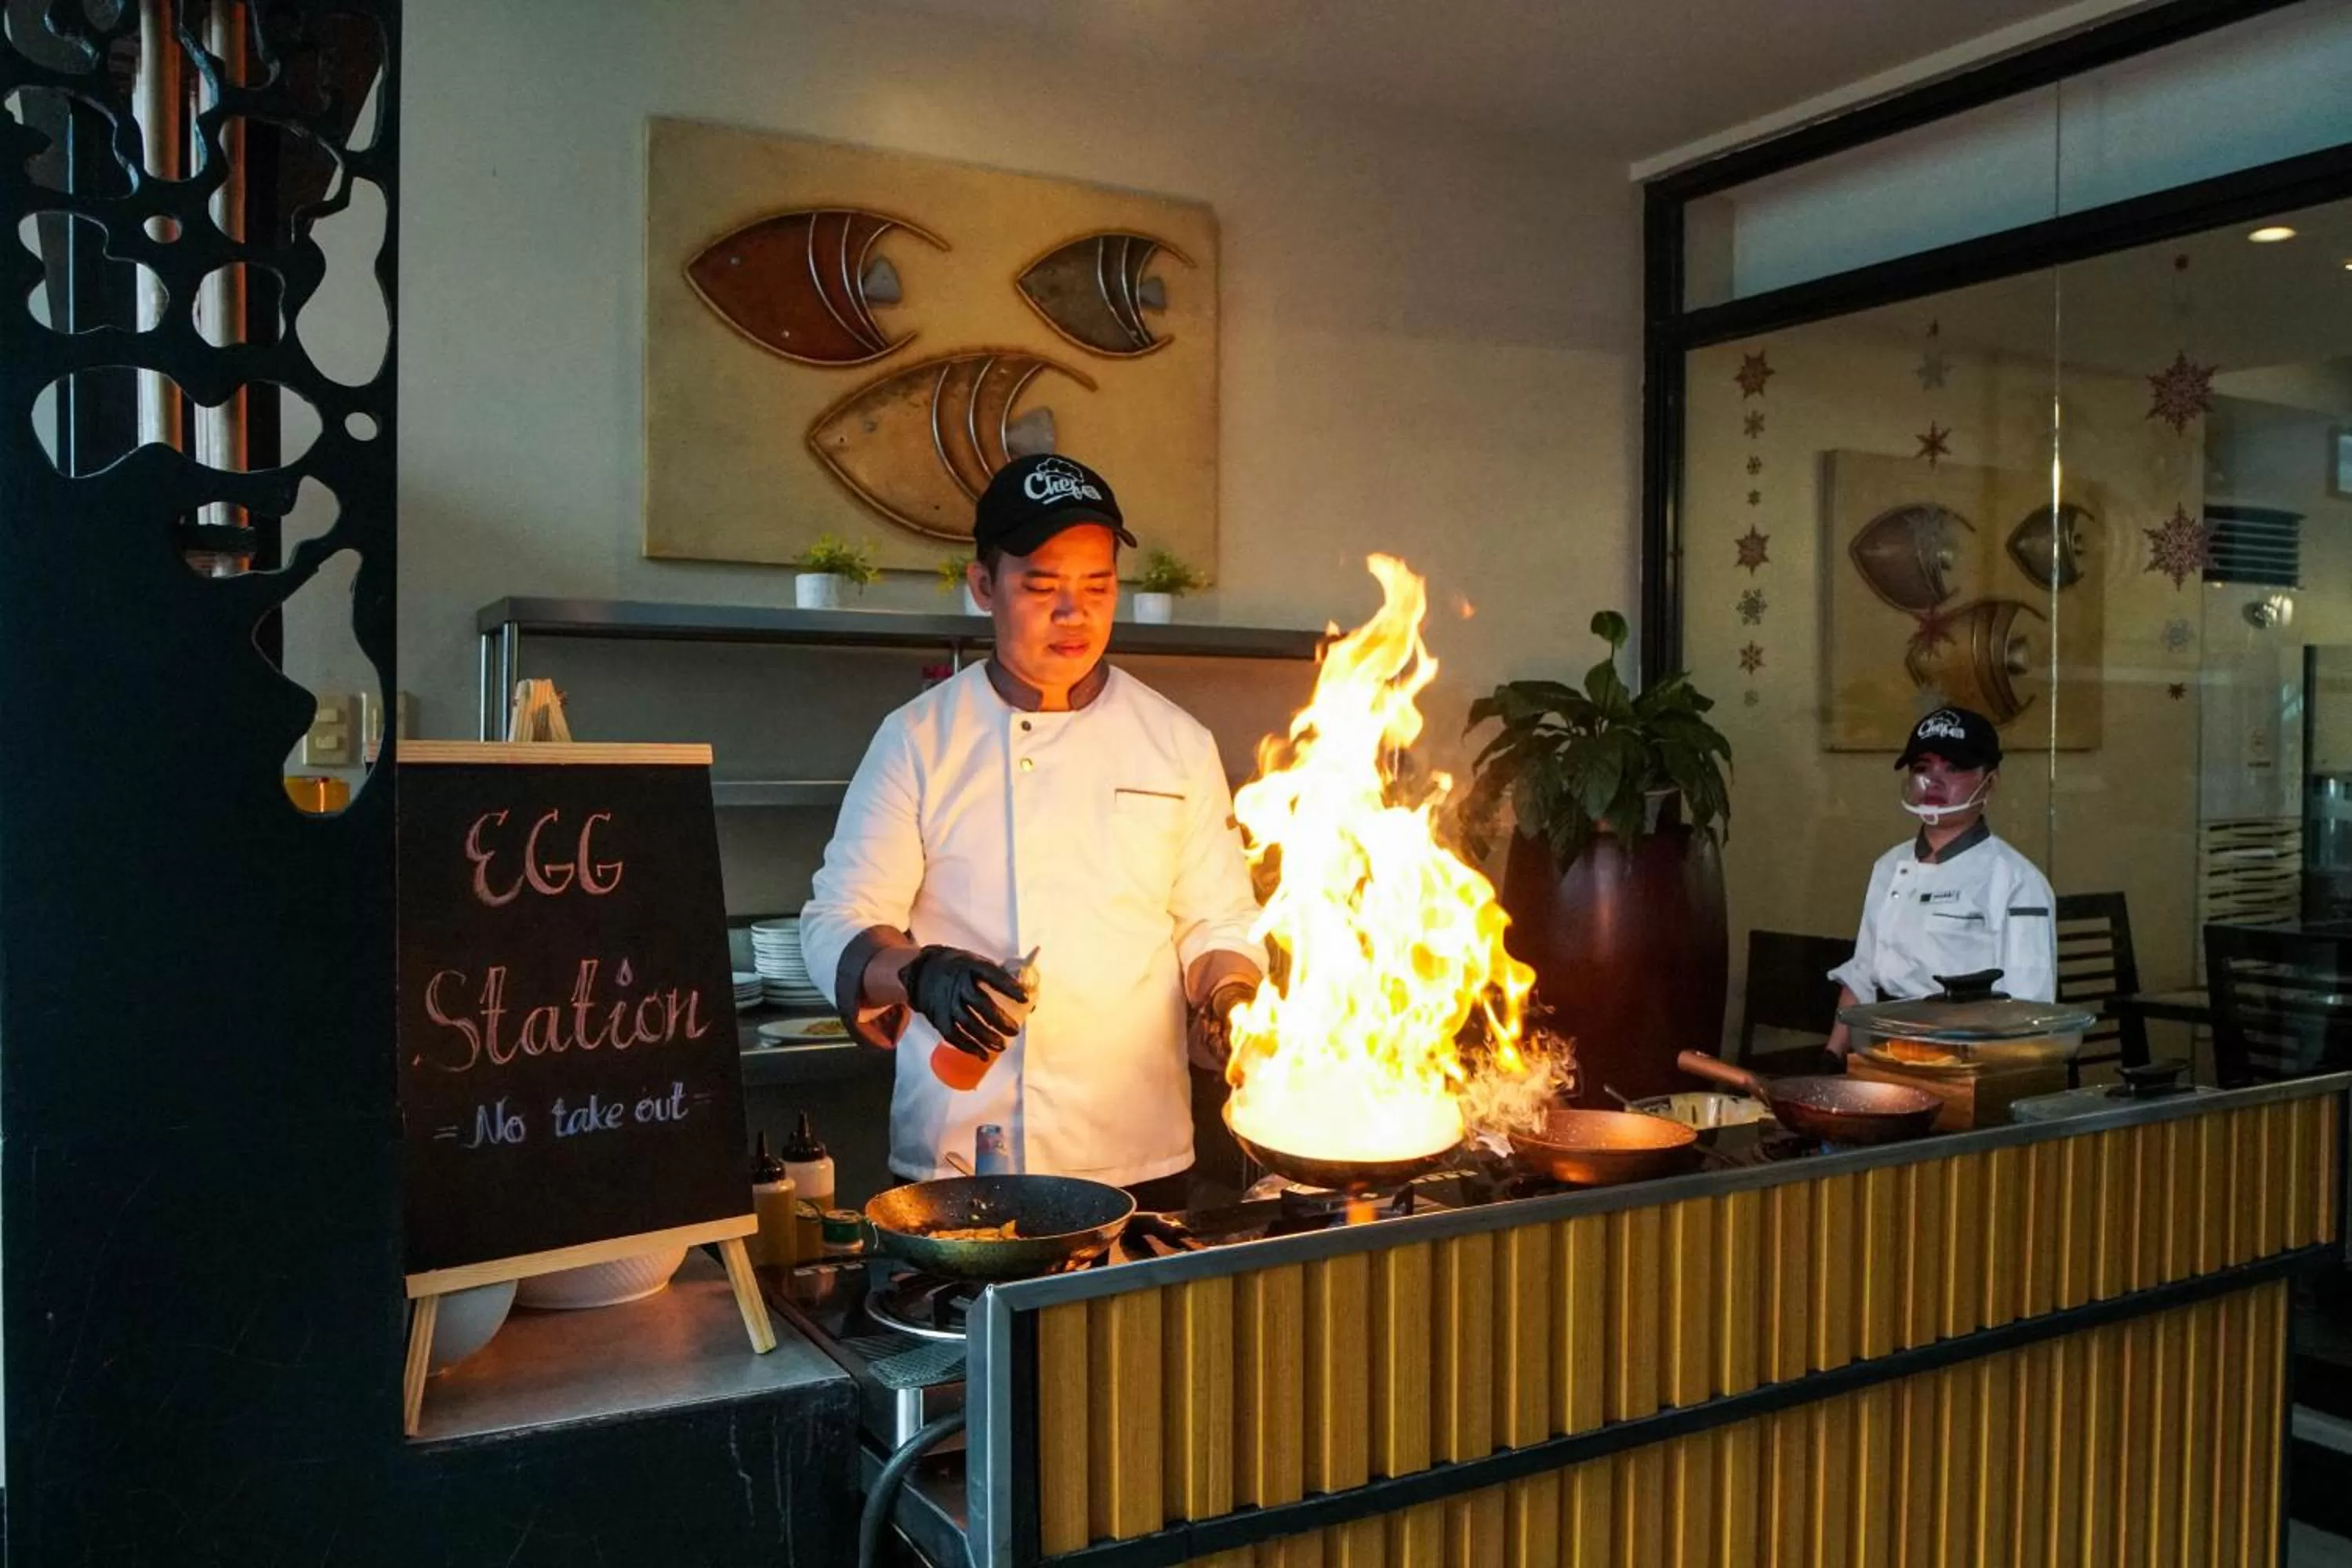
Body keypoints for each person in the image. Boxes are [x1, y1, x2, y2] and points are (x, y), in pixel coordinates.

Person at [799, 454, 1265, 1209]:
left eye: (1098, 587)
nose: (1073, 614)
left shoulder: (1176, 742)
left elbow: (1218, 919)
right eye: (1042, 587)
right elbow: (837, 920)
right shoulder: (918, 739)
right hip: (959, 1153)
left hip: (1136, 1152)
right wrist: (924, 974)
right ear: (983, 585)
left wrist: (1232, 996)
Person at [1824, 706, 2056, 1059]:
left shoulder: (2016, 880)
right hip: (1880, 1051)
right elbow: (1862, 974)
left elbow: (2030, 1010)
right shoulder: (1888, 866)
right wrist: (1832, 1055)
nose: (1933, 781)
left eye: (1953, 768)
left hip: (1964, 1059)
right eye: (1923, 768)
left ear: (1990, 782)